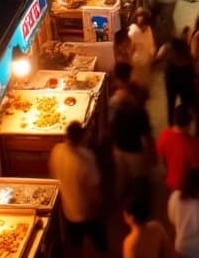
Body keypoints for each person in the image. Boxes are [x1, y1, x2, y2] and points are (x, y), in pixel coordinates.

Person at [48, 121, 107, 255]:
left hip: (68, 211)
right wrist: (101, 203)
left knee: (76, 245)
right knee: (100, 243)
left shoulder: (57, 151)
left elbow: (54, 176)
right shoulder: (87, 159)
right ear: (82, 137)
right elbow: (95, 192)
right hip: (88, 212)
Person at [109, 63, 154, 200]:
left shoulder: (113, 99)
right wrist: (152, 153)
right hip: (134, 149)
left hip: (118, 146)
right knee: (138, 179)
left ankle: (121, 203)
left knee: (121, 178)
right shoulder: (139, 110)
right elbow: (146, 134)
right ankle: (137, 205)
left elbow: (110, 124)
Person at [156, 105, 199, 194]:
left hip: (170, 182)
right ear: (189, 123)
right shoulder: (195, 145)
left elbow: (162, 160)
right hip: (186, 186)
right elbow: (197, 171)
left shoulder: (163, 135)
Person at [122, 193, 173, 258]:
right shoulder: (157, 227)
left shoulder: (130, 243)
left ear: (132, 218)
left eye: (125, 213)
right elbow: (170, 252)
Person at [158, 35, 197, 118]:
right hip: (186, 75)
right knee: (185, 102)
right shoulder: (185, 48)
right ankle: (184, 121)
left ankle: (171, 124)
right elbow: (192, 61)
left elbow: (158, 58)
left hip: (172, 76)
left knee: (171, 102)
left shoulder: (167, 47)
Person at [128, 9, 156, 90]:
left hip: (146, 60)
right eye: (145, 26)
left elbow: (151, 43)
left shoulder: (148, 29)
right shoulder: (132, 33)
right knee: (137, 84)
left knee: (143, 82)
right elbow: (130, 50)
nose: (146, 28)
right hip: (138, 64)